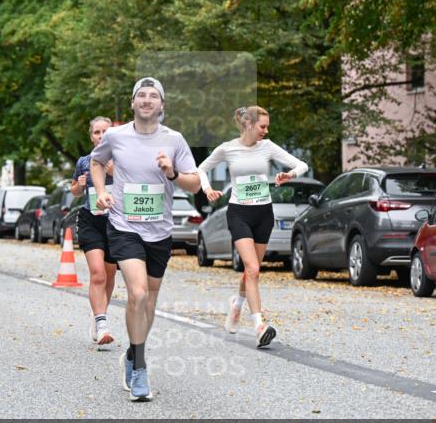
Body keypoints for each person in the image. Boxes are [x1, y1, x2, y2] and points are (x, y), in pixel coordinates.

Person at [90, 77, 200, 401]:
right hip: (124, 225)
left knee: (149, 300)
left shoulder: (175, 140)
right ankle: (139, 367)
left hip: (160, 231)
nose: (148, 100)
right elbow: (97, 162)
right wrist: (100, 192)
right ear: (133, 103)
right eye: (142, 95)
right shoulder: (115, 136)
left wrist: (172, 173)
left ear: (162, 105)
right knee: (136, 294)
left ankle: (133, 351)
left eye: (154, 96)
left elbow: (194, 183)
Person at [197, 106, 309, 347]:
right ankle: (259, 326)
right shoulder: (227, 148)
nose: (266, 131)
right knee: (253, 269)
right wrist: (207, 189)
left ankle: (236, 303)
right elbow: (201, 169)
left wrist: (290, 174)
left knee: (251, 270)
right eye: (263, 126)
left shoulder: (267, 147)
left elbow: (302, 165)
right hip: (239, 212)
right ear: (249, 124)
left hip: (264, 213)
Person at [71, 116, 118, 345]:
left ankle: (99, 313)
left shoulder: (121, 158)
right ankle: (101, 323)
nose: (100, 136)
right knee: (98, 272)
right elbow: (74, 191)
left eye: (104, 132)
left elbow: (132, 185)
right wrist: (79, 185)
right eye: (96, 132)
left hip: (116, 222)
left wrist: (114, 170)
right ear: (91, 136)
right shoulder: (84, 161)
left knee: (110, 274)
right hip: (91, 219)